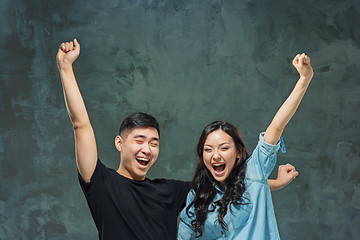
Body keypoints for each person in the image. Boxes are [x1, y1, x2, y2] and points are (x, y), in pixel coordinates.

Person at [56, 38, 299, 239]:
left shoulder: (169, 190)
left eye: (154, 143)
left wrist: (275, 183)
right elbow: (81, 125)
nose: (147, 149)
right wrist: (66, 69)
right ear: (120, 143)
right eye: (139, 141)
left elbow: (225, 186)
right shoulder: (102, 184)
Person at [178, 53, 313, 239]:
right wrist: (277, 183)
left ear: (239, 153)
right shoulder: (197, 195)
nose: (215, 155)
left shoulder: (254, 171)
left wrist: (304, 79)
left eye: (224, 148)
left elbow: (276, 126)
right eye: (208, 149)